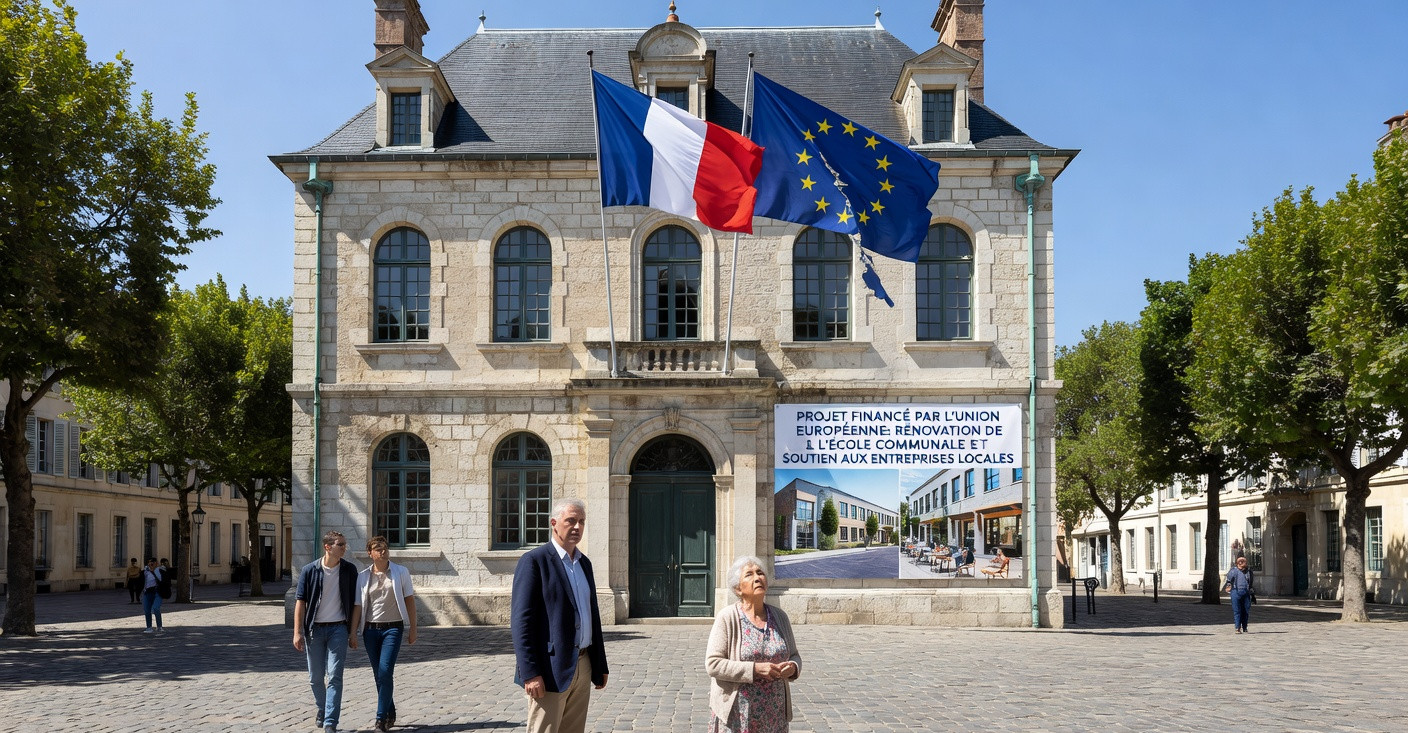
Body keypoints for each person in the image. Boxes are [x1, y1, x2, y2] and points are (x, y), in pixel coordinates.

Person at [511, 498, 609, 733]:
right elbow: (521, 623)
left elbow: (592, 616)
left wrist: (600, 664)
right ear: (554, 523)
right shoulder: (534, 561)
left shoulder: (584, 564)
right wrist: (531, 673)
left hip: (583, 664)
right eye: (571, 521)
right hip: (549, 668)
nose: (577, 527)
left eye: (582, 522)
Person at [706, 555, 801, 732]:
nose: (757, 577)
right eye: (749, 574)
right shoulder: (727, 617)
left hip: (774, 716)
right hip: (737, 716)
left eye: (760, 573)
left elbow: (794, 654)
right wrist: (755, 670)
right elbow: (713, 664)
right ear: (737, 588)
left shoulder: (780, 617)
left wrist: (793, 667)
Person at [351, 536, 418, 732]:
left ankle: (380, 719)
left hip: (393, 628)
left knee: (385, 670)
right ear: (370, 553)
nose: (382, 551)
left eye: (385, 548)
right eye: (378, 549)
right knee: (378, 675)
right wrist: (353, 633)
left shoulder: (400, 572)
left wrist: (413, 628)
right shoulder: (363, 576)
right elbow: (358, 605)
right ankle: (390, 709)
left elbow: (410, 601)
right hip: (370, 630)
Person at [294, 530, 358, 733]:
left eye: (345, 544)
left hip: (339, 628)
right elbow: (300, 602)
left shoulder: (349, 570)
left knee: (335, 676)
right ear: (328, 547)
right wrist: (297, 632)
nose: (344, 548)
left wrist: (353, 631)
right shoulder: (309, 570)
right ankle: (322, 708)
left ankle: (331, 721)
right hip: (315, 630)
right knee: (315, 677)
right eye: (341, 544)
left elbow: (357, 602)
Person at [1223, 555, 1254, 634]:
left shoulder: (1249, 571)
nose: (1241, 564)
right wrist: (1228, 586)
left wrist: (1252, 594)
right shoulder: (1233, 571)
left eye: (1243, 562)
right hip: (1235, 592)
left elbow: (1250, 583)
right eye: (1240, 562)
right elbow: (1229, 580)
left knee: (1246, 610)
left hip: (1246, 593)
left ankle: (1244, 627)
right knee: (1237, 611)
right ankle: (1237, 628)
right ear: (1237, 563)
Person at [139, 557, 164, 633]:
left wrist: (154, 571)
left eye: (153, 562)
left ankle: (159, 626)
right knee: (147, 610)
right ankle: (149, 627)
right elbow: (142, 580)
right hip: (147, 592)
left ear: (156, 563)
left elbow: (162, 580)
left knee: (156, 608)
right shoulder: (145, 571)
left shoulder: (160, 570)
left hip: (157, 592)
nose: (151, 564)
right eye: (149, 562)